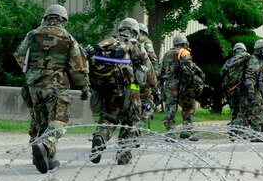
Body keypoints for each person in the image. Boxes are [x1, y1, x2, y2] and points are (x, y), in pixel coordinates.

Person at [14, 4, 90, 174]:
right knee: (59, 119)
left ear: (46, 17)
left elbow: (19, 55)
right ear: (64, 20)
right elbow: (78, 67)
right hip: (57, 86)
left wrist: (32, 72)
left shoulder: (33, 35)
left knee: (41, 121)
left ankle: (48, 159)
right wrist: (84, 87)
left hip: (34, 85)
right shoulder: (68, 38)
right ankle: (45, 143)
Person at [87, 17, 150, 165]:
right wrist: (152, 90)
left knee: (108, 118)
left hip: (109, 90)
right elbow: (149, 72)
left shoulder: (108, 43)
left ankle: (100, 136)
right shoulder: (136, 46)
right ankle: (123, 156)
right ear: (136, 31)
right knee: (129, 123)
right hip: (131, 93)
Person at [158, 33, 205, 140]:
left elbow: (161, 70)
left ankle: (170, 133)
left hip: (169, 85)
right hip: (182, 85)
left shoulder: (167, 54)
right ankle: (186, 131)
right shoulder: (183, 52)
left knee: (170, 108)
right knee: (189, 107)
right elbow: (190, 67)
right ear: (184, 43)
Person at [221, 42, 251, 129]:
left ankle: (233, 128)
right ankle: (242, 129)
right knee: (243, 110)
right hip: (243, 88)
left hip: (231, 89)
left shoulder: (230, 61)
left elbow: (222, 72)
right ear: (244, 49)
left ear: (234, 51)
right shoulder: (248, 58)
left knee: (234, 109)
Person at [138, 23, 160, 124]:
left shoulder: (127, 40)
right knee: (148, 102)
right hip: (143, 77)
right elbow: (153, 58)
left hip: (128, 78)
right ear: (145, 33)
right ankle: (139, 125)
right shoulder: (146, 41)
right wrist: (155, 76)